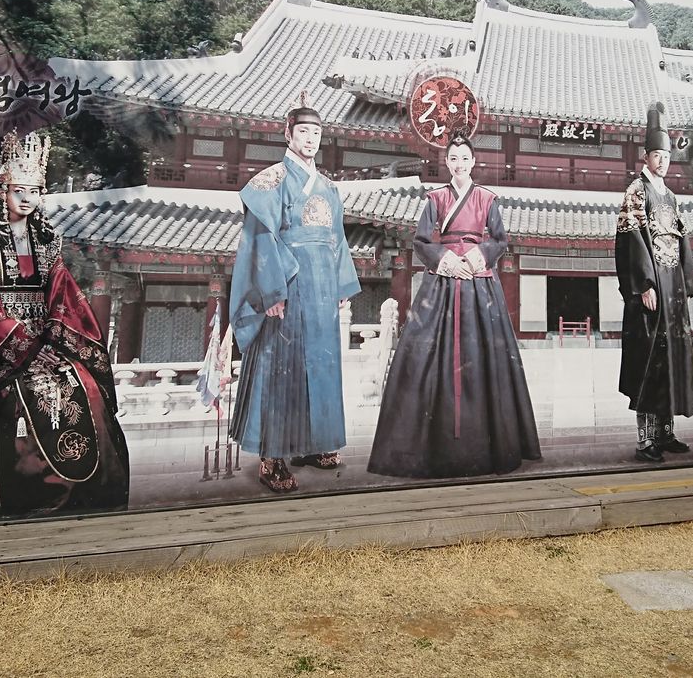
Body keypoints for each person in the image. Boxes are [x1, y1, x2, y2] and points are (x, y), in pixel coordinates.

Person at [0, 130, 129, 516]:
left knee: (86, 387)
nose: (26, 198)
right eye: (18, 190)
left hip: (45, 339)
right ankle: (21, 491)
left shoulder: (48, 242)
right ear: (3, 192)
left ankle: (89, 488)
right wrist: (23, 345)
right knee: (17, 397)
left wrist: (51, 339)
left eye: (34, 191)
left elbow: (64, 297)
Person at [367, 135, 541, 478]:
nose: (459, 164)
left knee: (486, 357)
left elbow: (500, 239)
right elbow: (421, 241)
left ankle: (489, 448)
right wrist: (447, 259)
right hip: (443, 279)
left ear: (473, 162)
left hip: (479, 278)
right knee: (424, 356)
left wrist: (476, 257)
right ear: (446, 163)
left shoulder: (487, 198)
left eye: (465, 158)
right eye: (454, 158)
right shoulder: (435, 198)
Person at [229, 96, 360, 493]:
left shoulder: (328, 187)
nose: (310, 139)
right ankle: (272, 457)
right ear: (287, 134)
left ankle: (314, 444)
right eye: (303, 131)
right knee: (281, 367)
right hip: (287, 283)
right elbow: (260, 238)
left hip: (322, 286)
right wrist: (272, 291)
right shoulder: (270, 182)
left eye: (316, 132)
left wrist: (341, 284)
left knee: (321, 364)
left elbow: (337, 239)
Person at [615, 102, 693, 463]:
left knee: (671, 357)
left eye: (666, 156)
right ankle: (646, 439)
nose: (662, 161)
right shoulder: (637, 191)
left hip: (672, 287)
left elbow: (681, 240)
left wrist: (684, 284)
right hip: (651, 289)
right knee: (649, 360)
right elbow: (631, 239)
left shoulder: (671, 196)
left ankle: (666, 433)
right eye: (656, 155)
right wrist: (644, 285)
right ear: (646, 157)